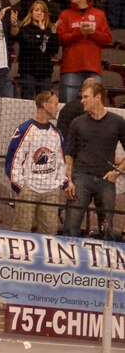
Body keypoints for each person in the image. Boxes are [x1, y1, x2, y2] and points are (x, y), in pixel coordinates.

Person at [63, 81, 125, 237]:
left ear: (98, 97)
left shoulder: (117, 122)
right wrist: (69, 180)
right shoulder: (77, 123)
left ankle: (105, 260)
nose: (82, 100)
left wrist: (117, 172)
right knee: (70, 226)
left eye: (86, 97)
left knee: (107, 229)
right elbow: (68, 153)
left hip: (106, 181)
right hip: (80, 178)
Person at [5, 90, 68, 235]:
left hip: (51, 191)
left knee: (50, 234)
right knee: (21, 232)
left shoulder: (56, 133)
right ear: (45, 105)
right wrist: (21, 186)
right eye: (55, 104)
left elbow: (60, 162)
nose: (57, 108)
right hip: (28, 190)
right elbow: (13, 160)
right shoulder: (24, 130)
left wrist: (59, 183)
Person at [57, 0, 111, 103]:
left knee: (94, 106)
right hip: (70, 68)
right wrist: (79, 32)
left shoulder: (99, 14)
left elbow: (107, 39)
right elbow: (61, 38)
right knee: (68, 107)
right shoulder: (65, 15)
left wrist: (92, 33)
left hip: (93, 68)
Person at [17, 0, 59, 100]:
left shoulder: (48, 30)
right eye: (36, 10)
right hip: (28, 72)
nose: (39, 13)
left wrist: (53, 34)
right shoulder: (25, 29)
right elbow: (31, 45)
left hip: (45, 72)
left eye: (42, 11)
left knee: (45, 102)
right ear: (31, 13)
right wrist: (41, 31)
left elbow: (54, 50)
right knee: (28, 101)